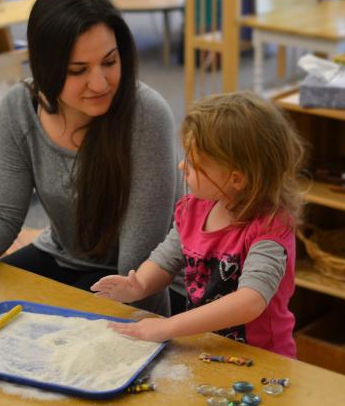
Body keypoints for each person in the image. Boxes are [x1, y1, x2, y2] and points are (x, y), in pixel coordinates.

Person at [0, 0, 178, 317]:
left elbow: (137, 269)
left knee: (39, 336)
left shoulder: (147, 115)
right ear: (46, 68)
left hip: (145, 280)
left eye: (110, 62)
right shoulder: (19, 107)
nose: (100, 83)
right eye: (78, 70)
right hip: (63, 255)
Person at [91, 91, 305, 357]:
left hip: (262, 359)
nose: (182, 165)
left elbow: (250, 302)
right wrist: (140, 285)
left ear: (236, 179)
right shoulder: (194, 209)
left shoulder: (270, 228)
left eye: (194, 163)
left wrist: (168, 326)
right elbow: (166, 259)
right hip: (206, 348)